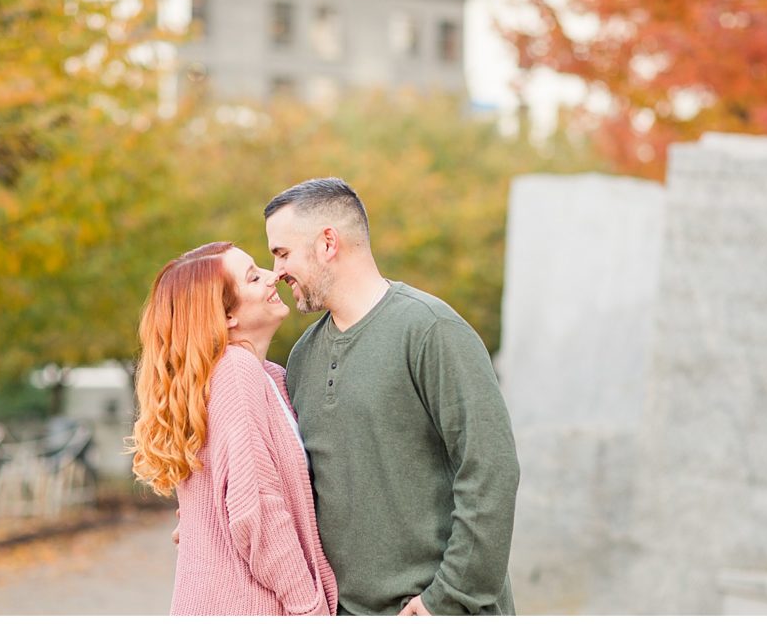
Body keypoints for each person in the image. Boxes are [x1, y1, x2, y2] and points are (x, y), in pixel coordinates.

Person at [263, 177, 521, 616]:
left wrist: (447, 598)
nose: (276, 272)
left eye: (282, 253)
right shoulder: (304, 355)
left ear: (328, 243)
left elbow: (490, 470)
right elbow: (282, 480)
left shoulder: (430, 329)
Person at [128, 242, 337, 616]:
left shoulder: (267, 376)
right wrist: (309, 608)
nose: (275, 276)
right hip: (245, 604)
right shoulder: (235, 373)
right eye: (254, 277)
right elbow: (256, 510)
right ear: (225, 316)